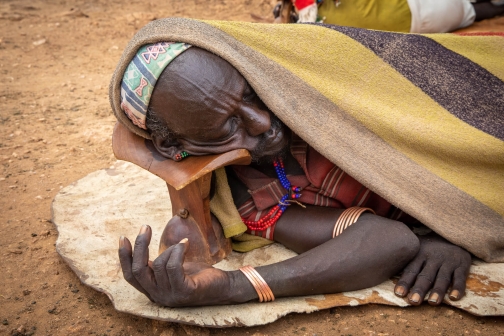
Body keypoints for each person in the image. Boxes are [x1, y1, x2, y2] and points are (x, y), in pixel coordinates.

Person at [110, 18, 504, 308]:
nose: (262, 121)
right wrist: (230, 287)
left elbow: (445, 116)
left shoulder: (309, 82)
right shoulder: (257, 197)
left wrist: (450, 232)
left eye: (249, 92)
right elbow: (390, 240)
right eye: (229, 124)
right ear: (172, 145)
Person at [274, 0, 504, 33]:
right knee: (469, 10)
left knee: (471, 11)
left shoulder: (309, 25)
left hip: (419, 21)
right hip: (420, 14)